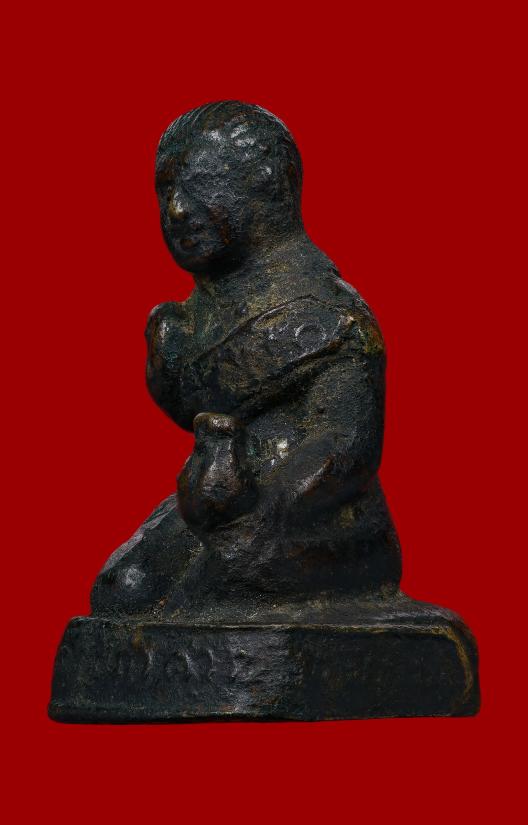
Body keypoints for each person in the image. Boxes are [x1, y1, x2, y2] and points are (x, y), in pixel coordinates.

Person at [91, 101, 401, 616]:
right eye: (165, 193)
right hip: (222, 499)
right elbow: (193, 407)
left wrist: (263, 506)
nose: (176, 210)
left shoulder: (330, 314)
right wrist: (168, 366)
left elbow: (346, 448)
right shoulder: (191, 320)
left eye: (199, 185)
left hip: (312, 515)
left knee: (214, 588)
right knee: (124, 586)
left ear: (264, 185)